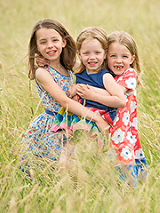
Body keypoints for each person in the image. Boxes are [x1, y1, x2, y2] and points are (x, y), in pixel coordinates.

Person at [19, 19, 109, 179]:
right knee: (57, 170)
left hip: (74, 121)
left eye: (55, 40)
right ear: (37, 47)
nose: (50, 46)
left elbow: (95, 66)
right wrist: (96, 117)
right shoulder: (42, 72)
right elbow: (65, 102)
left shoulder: (70, 66)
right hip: (54, 124)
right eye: (43, 42)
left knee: (81, 166)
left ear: (64, 42)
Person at [77, 30, 148, 182]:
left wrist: (83, 89)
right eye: (113, 56)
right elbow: (77, 61)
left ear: (132, 59)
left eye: (124, 56)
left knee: (123, 163)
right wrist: (47, 61)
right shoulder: (106, 73)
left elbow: (115, 96)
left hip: (122, 129)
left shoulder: (129, 74)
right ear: (105, 56)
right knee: (105, 168)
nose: (118, 61)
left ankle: (130, 194)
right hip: (109, 127)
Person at [50, 27, 125, 138]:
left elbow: (121, 101)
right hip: (82, 118)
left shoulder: (105, 77)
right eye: (86, 53)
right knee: (69, 147)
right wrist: (44, 59)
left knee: (86, 148)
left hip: (100, 121)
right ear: (79, 54)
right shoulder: (79, 72)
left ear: (105, 54)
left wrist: (92, 95)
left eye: (97, 52)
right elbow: (61, 61)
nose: (92, 57)